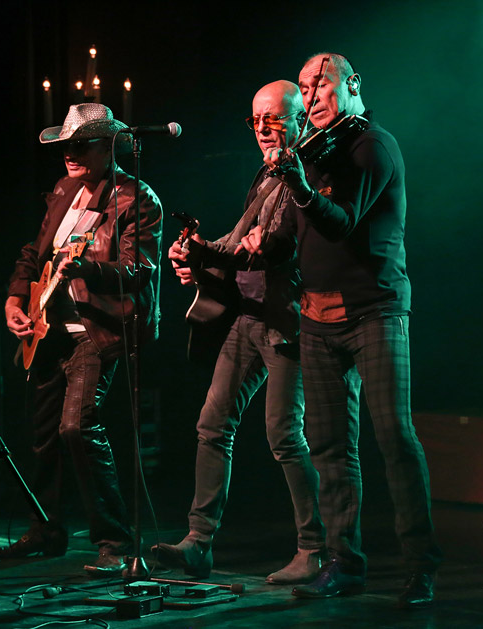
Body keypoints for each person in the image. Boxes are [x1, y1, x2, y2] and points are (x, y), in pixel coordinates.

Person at [250, 53, 441, 608]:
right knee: (332, 447)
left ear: (351, 85)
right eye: (304, 87)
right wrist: (218, 255)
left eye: (321, 83)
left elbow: (340, 222)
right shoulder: (314, 154)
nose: (310, 96)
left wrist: (300, 182)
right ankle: (344, 564)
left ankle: (420, 566)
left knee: (395, 439)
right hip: (317, 318)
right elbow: (285, 240)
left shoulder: (370, 147)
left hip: (376, 312)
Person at [152, 80, 325, 585]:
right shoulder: (266, 175)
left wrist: (208, 254)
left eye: (274, 118)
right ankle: (198, 543)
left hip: (286, 323)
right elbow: (239, 237)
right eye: (256, 121)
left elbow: (272, 247)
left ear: (300, 118)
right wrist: (198, 253)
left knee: (285, 437)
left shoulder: (305, 174)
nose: (263, 130)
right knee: (212, 425)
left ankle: (314, 548)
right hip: (248, 318)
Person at [0, 103, 163, 575]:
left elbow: (140, 271)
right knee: (45, 436)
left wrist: (86, 268)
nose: (69, 153)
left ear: (109, 145)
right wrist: (14, 300)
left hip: (98, 330)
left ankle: (114, 541)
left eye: (80, 144)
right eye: (65, 145)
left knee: (77, 427)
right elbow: (34, 253)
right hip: (48, 330)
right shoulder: (65, 190)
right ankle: (46, 529)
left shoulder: (136, 198)